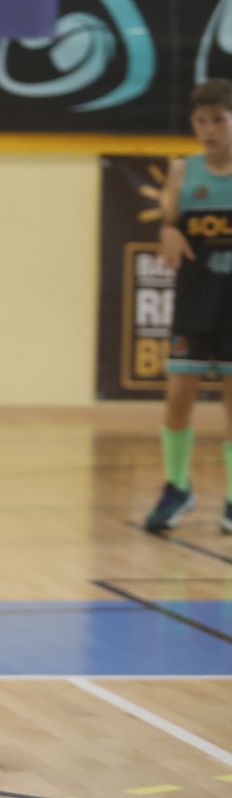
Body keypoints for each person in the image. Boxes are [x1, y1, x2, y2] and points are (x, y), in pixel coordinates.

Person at [144, 79, 232, 533]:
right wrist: (168, 230)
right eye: (201, 121)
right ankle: (177, 487)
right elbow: (170, 222)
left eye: (219, 119)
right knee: (178, 396)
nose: (209, 129)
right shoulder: (183, 171)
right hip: (196, 299)